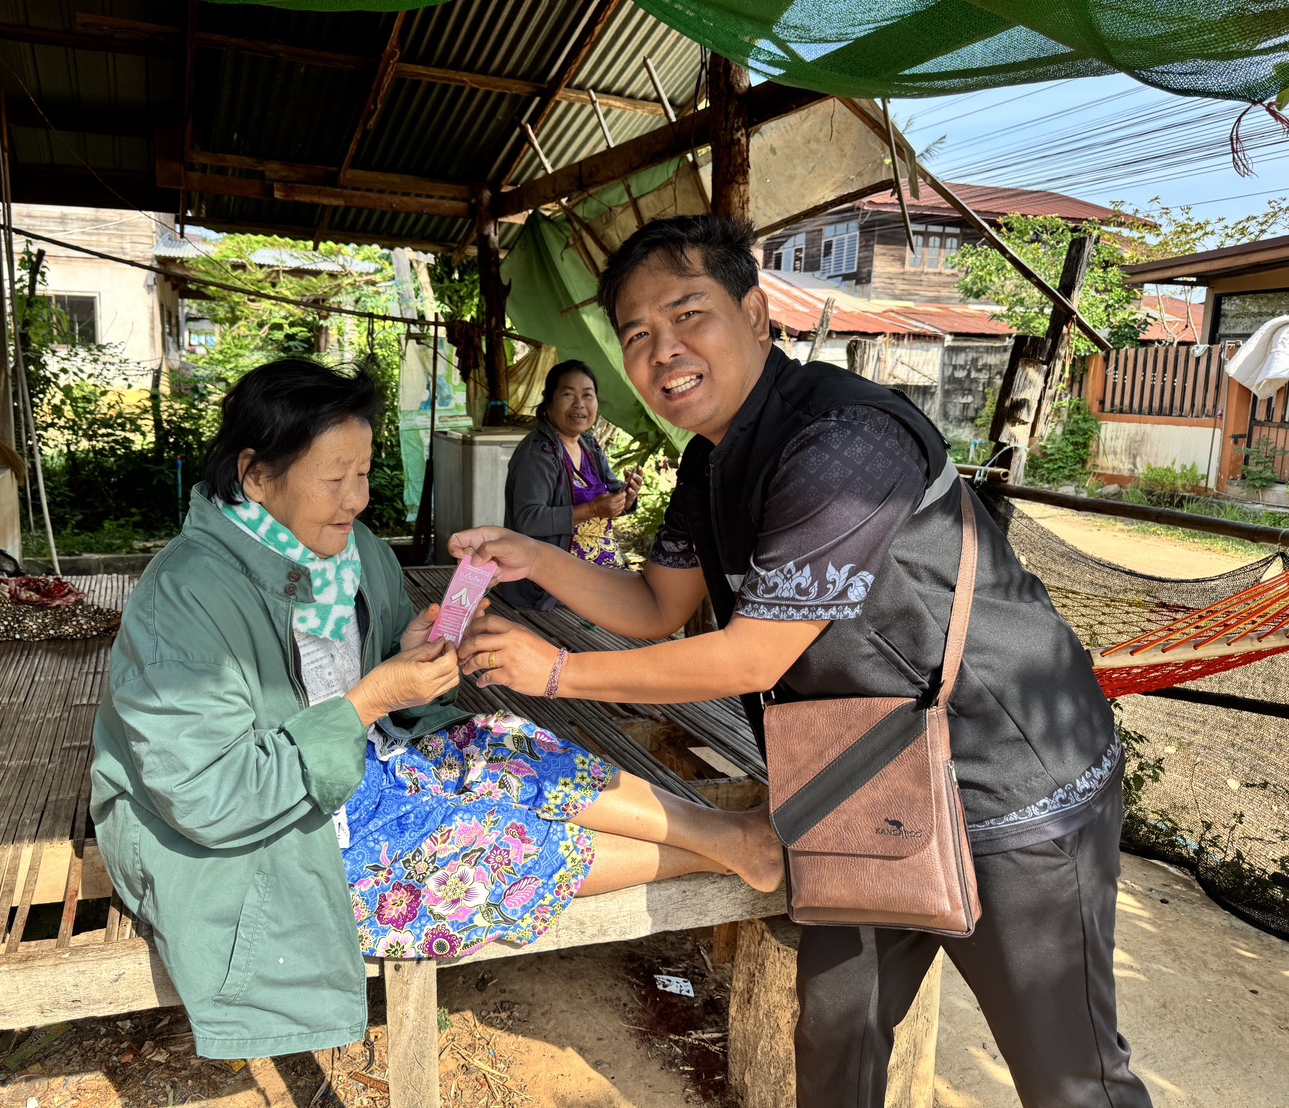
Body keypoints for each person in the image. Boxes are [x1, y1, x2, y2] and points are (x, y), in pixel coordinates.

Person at [452, 216, 1152, 1107]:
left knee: (1068, 1077)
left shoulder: (842, 441)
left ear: (753, 315)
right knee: (834, 1042)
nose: (663, 351)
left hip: (1005, 781)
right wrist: (533, 556)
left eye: (687, 314)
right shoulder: (708, 463)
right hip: (864, 780)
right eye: (636, 334)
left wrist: (556, 674)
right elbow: (658, 607)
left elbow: (752, 655)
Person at [89, 357, 782, 1062]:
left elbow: (371, 662)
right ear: (256, 474)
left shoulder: (350, 550)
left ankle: (723, 834)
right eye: (334, 478)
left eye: (364, 472)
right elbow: (208, 798)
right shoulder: (185, 598)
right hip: (259, 838)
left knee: (507, 744)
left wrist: (412, 648)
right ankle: (725, 852)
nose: (357, 499)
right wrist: (372, 698)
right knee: (486, 846)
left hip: (359, 763)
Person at [500, 359, 643, 609]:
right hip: (551, 585)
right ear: (549, 402)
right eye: (568, 394)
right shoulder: (538, 453)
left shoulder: (589, 445)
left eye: (587, 395)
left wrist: (626, 498)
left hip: (597, 571)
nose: (580, 404)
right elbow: (528, 519)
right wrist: (593, 510)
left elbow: (612, 492)